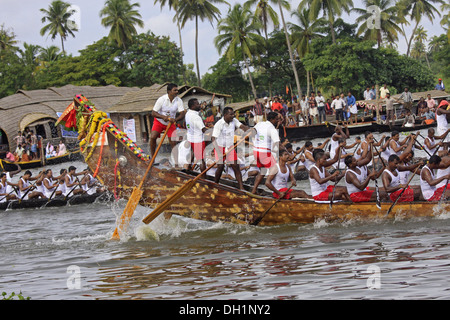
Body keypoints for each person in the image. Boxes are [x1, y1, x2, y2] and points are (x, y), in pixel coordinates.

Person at [212, 107, 249, 190]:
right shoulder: (219, 124)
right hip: (220, 146)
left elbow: (242, 126)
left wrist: (250, 129)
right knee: (220, 166)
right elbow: (213, 139)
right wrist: (219, 152)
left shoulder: (234, 121)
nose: (233, 116)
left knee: (235, 166)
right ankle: (215, 184)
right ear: (225, 115)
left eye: (233, 114)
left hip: (230, 147)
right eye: (231, 114)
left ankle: (241, 187)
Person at [150, 83, 186, 158]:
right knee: (153, 137)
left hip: (170, 123)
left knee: (173, 142)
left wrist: (175, 120)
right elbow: (153, 113)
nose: (177, 92)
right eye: (175, 90)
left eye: (177, 90)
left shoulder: (179, 100)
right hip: (159, 121)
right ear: (169, 91)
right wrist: (163, 117)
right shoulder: (161, 99)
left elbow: (182, 114)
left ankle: (176, 163)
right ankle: (152, 158)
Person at [251, 112, 281, 194]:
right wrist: (286, 152)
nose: (277, 121)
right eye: (276, 119)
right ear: (271, 119)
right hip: (264, 152)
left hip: (256, 151)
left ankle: (254, 190)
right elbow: (278, 144)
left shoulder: (259, 124)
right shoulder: (272, 129)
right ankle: (271, 186)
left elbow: (252, 132)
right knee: (275, 169)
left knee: (263, 171)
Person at [185, 98, 212, 173]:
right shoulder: (196, 117)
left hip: (191, 138)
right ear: (193, 106)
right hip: (198, 140)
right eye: (197, 104)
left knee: (193, 153)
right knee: (201, 160)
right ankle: (203, 177)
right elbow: (204, 130)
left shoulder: (187, 113)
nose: (199, 105)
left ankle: (188, 169)